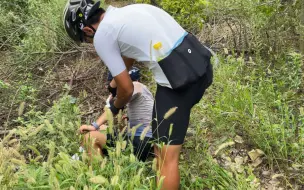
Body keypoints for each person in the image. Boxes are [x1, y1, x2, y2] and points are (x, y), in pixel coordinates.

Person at [63, 1, 214, 189]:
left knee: (165, 159)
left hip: (177, 83)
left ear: (87, 30)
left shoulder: (102, 35)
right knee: (167, 147)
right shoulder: (131, 11)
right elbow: (129, 55)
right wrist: (113, 84)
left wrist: (114, 107)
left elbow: (127, 90)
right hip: (201, 67)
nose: (91, 43)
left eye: (87, 40)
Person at [78, 70, 154, 162]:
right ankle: (80, 155)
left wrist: (94, 125)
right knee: (102, 128)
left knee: (91, 137)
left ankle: (97, 171)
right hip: (141, 138)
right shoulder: (142, 91)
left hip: (141, 142)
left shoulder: (135, 85)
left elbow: (115, 107)